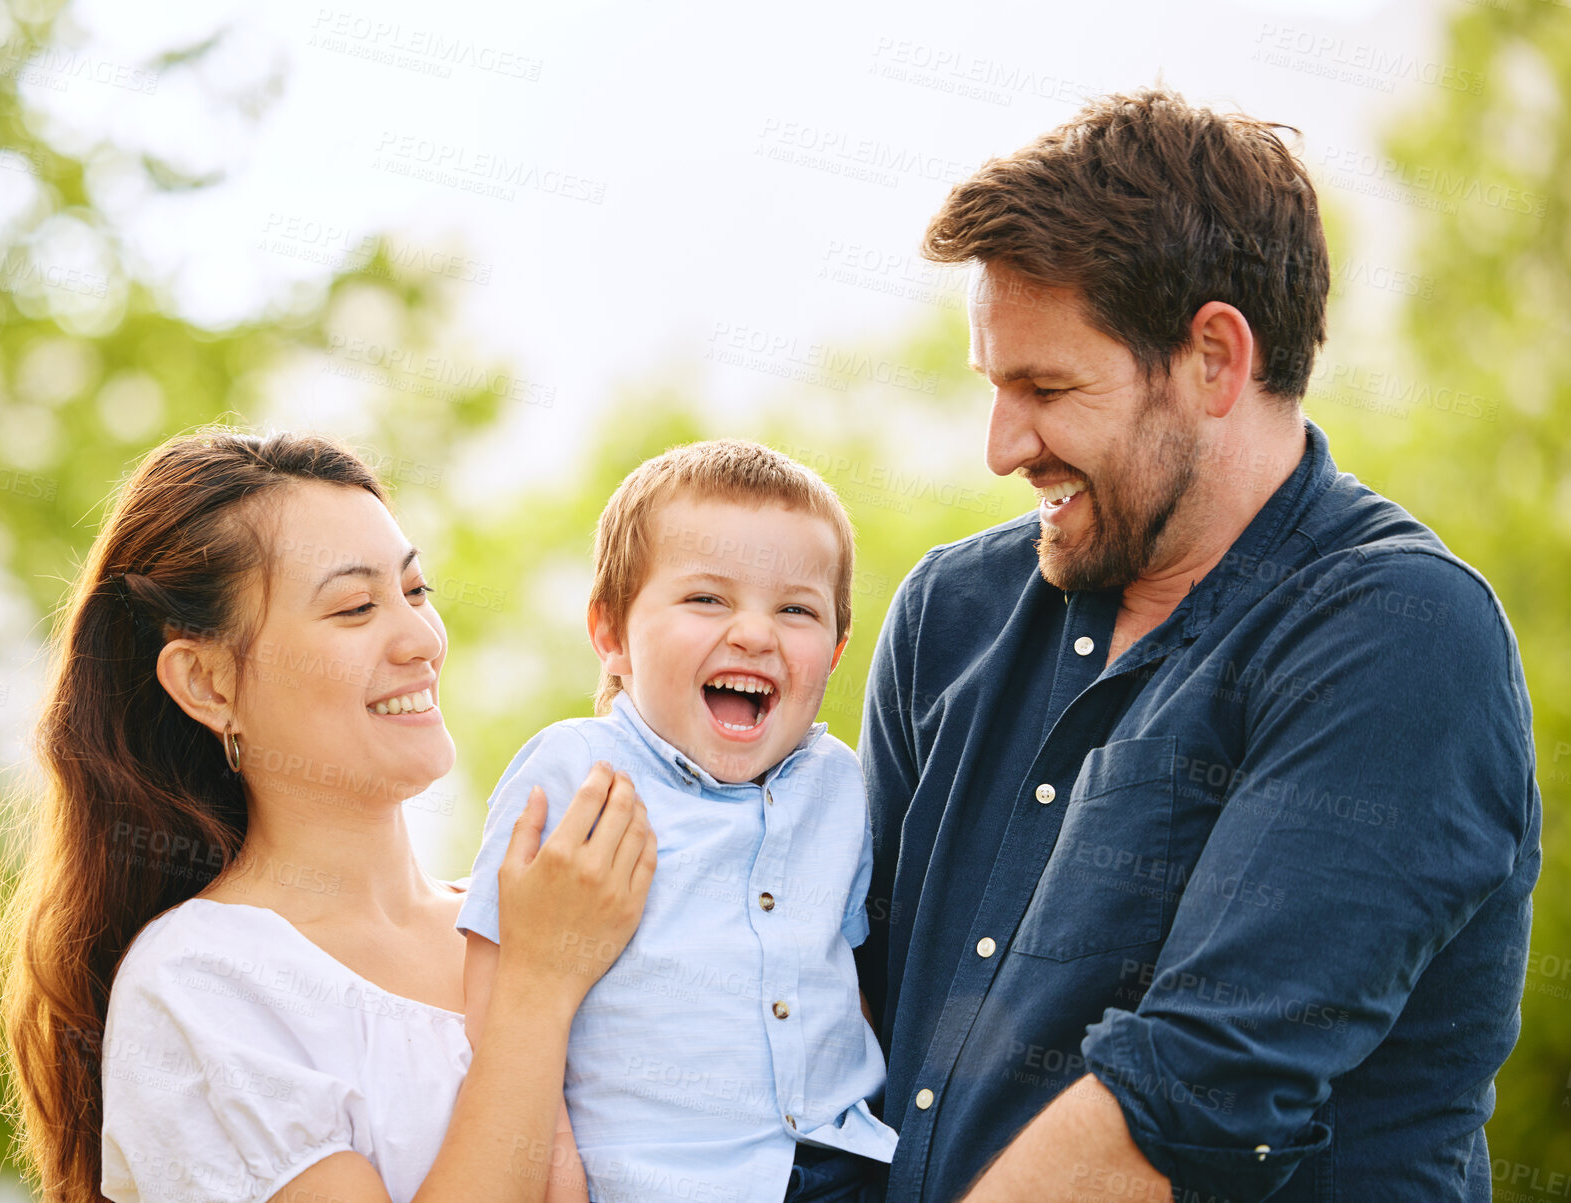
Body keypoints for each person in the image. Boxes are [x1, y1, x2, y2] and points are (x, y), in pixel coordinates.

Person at [855, 88, 1541, 1202]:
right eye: (993, 385)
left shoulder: (1403, 639)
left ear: (1214, 360)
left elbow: (1190, 1097)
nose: (1000, 446)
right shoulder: (948, 614)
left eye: (1047, 388)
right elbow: (846, 1036)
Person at [0, 429, 656, 1203]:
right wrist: (537, 988)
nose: (420, 639)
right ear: (206, 682)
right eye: (355, 606)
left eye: (415, 591)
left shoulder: (541, 913)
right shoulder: (201, 984)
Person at [457, 440, 897, 1203]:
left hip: (852, 1163)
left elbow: (850, 978)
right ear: (610, 634)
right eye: (707, 599)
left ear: (834, 652)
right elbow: (498, 1004)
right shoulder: (575, 773)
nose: (755, 633)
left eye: (796, 609)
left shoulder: (838, 783)